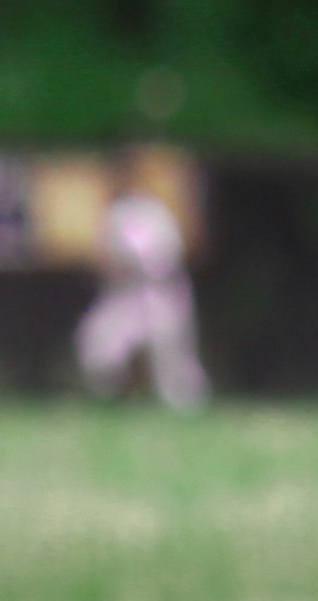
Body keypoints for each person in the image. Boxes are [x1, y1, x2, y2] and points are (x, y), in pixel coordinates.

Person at [75, 152, 205, 409]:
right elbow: (105, 258)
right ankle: (109, 400)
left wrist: (136, 265)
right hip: (123, 296)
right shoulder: (114, 211)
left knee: (171, 358)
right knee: (97, 343)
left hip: (159, 294)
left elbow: (165, 255)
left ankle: (183, 406)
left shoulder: (153, 210)